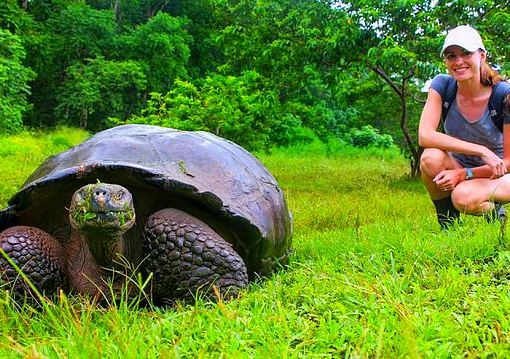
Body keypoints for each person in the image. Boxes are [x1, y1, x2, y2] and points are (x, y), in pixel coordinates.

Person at [418, 25, 510, 230]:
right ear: (445, 61)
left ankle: (496, 214)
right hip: (461, 164)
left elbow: (509, 162)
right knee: (430, 157)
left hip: (501, 174)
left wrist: (464, 174)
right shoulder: (443, 86)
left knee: (463, 197)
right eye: (451, 56)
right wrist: (481, 150)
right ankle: (448, 226)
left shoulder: (503, 95)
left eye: (466, 53)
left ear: (482, 56)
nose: (458, 62)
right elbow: (425, 135)